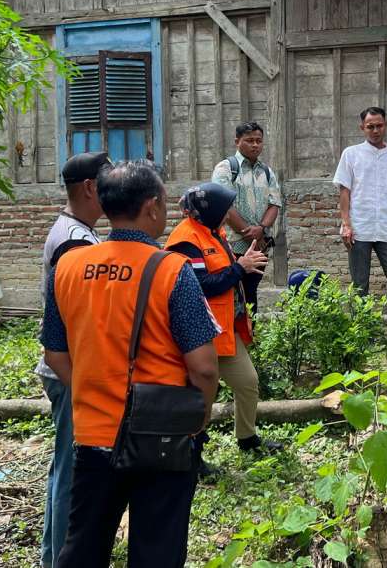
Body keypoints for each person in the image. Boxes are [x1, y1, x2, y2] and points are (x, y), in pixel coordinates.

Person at [40, 160, 220, 567]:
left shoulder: (67, 267)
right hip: (163, 437)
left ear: (104, 205)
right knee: (157, 549)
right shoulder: (171, 269)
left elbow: (54, 353)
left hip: (93, 435)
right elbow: (205, 366)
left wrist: (91, 390)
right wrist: (199, 417)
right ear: (152, 207)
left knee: (83, 546)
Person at [166, 183, 283, 459]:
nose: (230, 213)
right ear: (210, 210)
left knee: (247, 382)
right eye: (226, 208)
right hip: (200, 333)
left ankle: (247, 437)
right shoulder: (185, 240)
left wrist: (244, 262)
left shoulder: (212, 231)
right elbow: (199, 285)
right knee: (201, 394)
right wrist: (239, 268)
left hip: (223, 329)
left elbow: (225, 268)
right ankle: (193, 452)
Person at [36, 151, 110, 568]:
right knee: (71, 471)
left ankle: (56, 553)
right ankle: (63, 556)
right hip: (71, 370)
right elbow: (73, 315)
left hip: (69, 368)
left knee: (65, 466)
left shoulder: (77, 232)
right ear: (89, 188)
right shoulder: (74, 241)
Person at [333, 106, 387, 328]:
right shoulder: (351, 154)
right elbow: (344, 191)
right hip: (359, 228)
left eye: (379, 125)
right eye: (370, 126)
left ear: (385, 125)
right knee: (360, 283)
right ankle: (361, 333)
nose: (375, 130)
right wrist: (346, 224)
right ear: (362, 128)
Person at [211, 121, 283, 314]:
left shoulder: (267, 172)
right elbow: (224, 205)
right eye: (249, 140)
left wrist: (260, 229)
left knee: (250, 293)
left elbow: (274, 204)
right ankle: (233, 339)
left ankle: (251, 339)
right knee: (232, 294)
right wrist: (248, 232)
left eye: (258, 141)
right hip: (232, 246)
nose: (255, 145)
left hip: (259, 246)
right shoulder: (225, 169)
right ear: (237, 141)